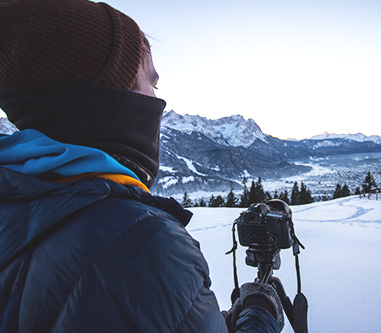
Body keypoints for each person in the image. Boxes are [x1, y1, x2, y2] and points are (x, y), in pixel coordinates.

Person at [0, 0, 283, 332]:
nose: (159, 102)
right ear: (108, 101)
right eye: (152, 84)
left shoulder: (14, 199)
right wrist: (260, 314)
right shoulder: (143, 245)